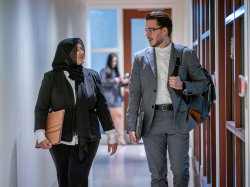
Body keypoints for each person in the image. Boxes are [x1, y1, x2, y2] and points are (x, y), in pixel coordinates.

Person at [126, 11, 209, 187]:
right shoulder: (140, 58)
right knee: (157, 175)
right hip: (151, 121)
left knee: (180, 171)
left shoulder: (186, 54)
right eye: (146, 30)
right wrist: (131, 125)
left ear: (164, 31)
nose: (147, 34)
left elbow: (203, 84)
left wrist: (184, 85)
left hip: (177, 119)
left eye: (151, 30)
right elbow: (134, 93)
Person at [34, 38, 118, 187]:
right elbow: (41, 107)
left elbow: (102, 106)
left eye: (82, 49)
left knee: (77, 179)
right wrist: (40, 134)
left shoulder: (92, 76)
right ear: (65, 54)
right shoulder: (51, 77)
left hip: (88, 137)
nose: (81, 52)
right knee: (64, 179)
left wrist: (111, 134)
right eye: (76, 50)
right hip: (59, 139)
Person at [100, 53, 129, 145]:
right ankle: (120, 138)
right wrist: (115, 80)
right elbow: (103, 83)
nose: (114, 63)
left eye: (116, 61)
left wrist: (123, 82)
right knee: (116, 118)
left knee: (118, 117)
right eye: (113, 61)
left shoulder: (114, 71)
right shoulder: (104, 71)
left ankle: (118, 138)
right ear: (109, 61)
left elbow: (116, 85)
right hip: (110, 98)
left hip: (117, 98)